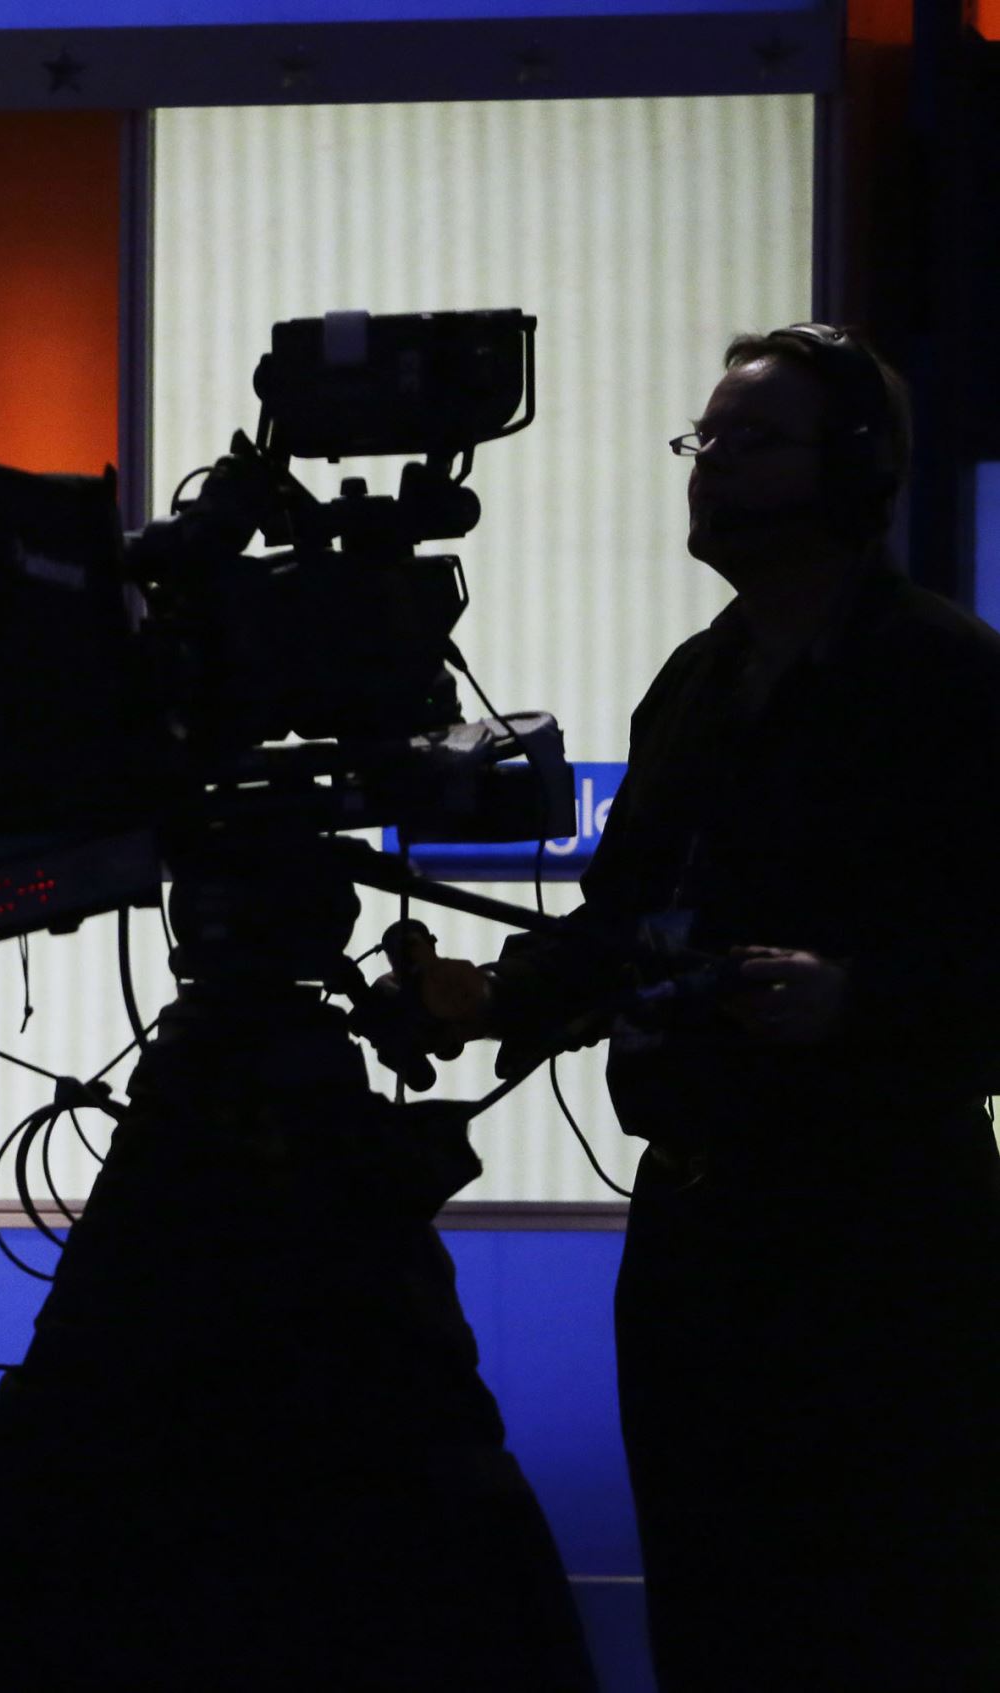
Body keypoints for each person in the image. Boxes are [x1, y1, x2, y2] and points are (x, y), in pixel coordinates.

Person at [453, 325, 1000, 1689]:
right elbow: (625, 933)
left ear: (859, 466)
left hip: (884, 1244)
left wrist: (859, 1001)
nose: (708, 469)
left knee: (887, 1619)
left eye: (750, 439)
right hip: (699, 1240)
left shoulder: (950, 679)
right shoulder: (694, 687)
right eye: (704, 440)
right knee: (715, 1611)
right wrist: (485, 1000)